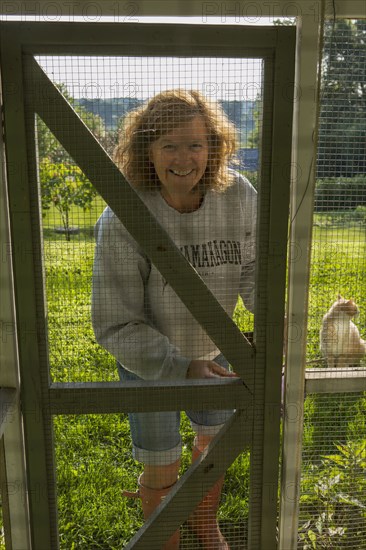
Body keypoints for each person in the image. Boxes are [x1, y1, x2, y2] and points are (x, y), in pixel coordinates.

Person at [92, 89, 256, 549]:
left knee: (214, 450)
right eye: (169, 145)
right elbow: (113, 321)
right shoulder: (123, 216)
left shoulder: (239, 196)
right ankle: (165, 540)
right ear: (146, 151)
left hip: (217, 345)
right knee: (161, 462)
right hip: (149, 360)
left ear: (215, 147)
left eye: (196, 145)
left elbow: (256, 272)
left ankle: (205, 525)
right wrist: (180, 367)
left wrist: (271, 331)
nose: (184, 158)